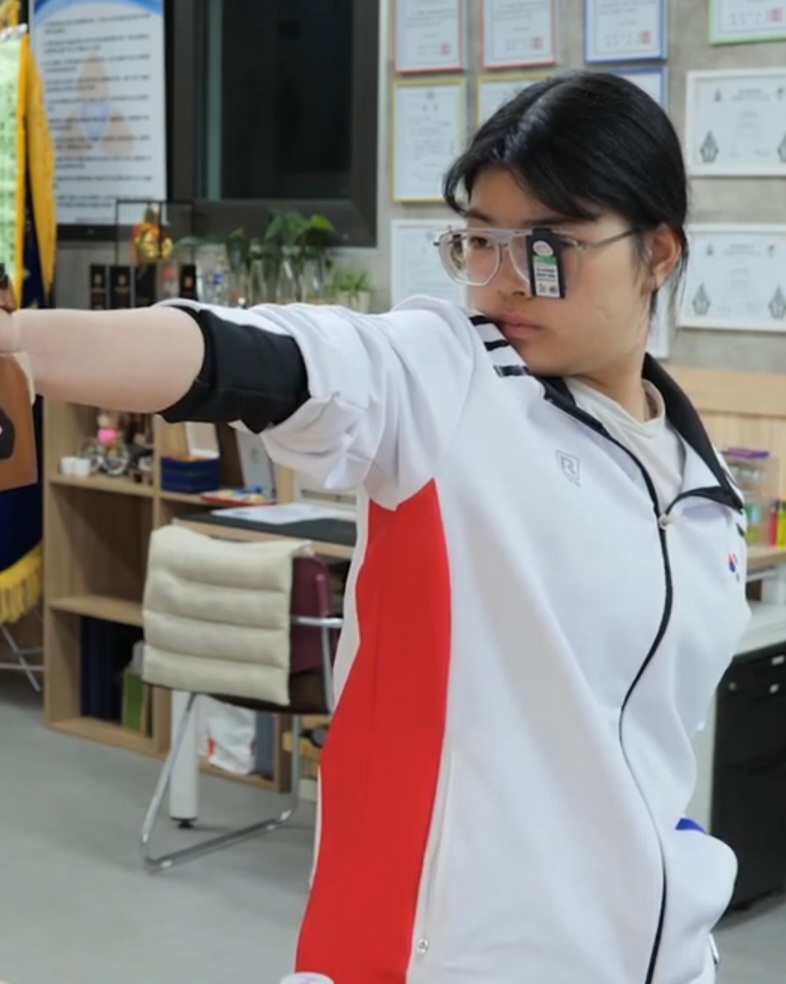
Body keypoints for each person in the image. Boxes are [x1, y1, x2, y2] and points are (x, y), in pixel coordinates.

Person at [0, 71, 750, 984]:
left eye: (547, 247)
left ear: (659, 253)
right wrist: (21, 347)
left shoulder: (701, 488)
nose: (504, 281)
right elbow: (244, 354)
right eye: (480, 240)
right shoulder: (447, 378)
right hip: (451, 958)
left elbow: (646, 748)